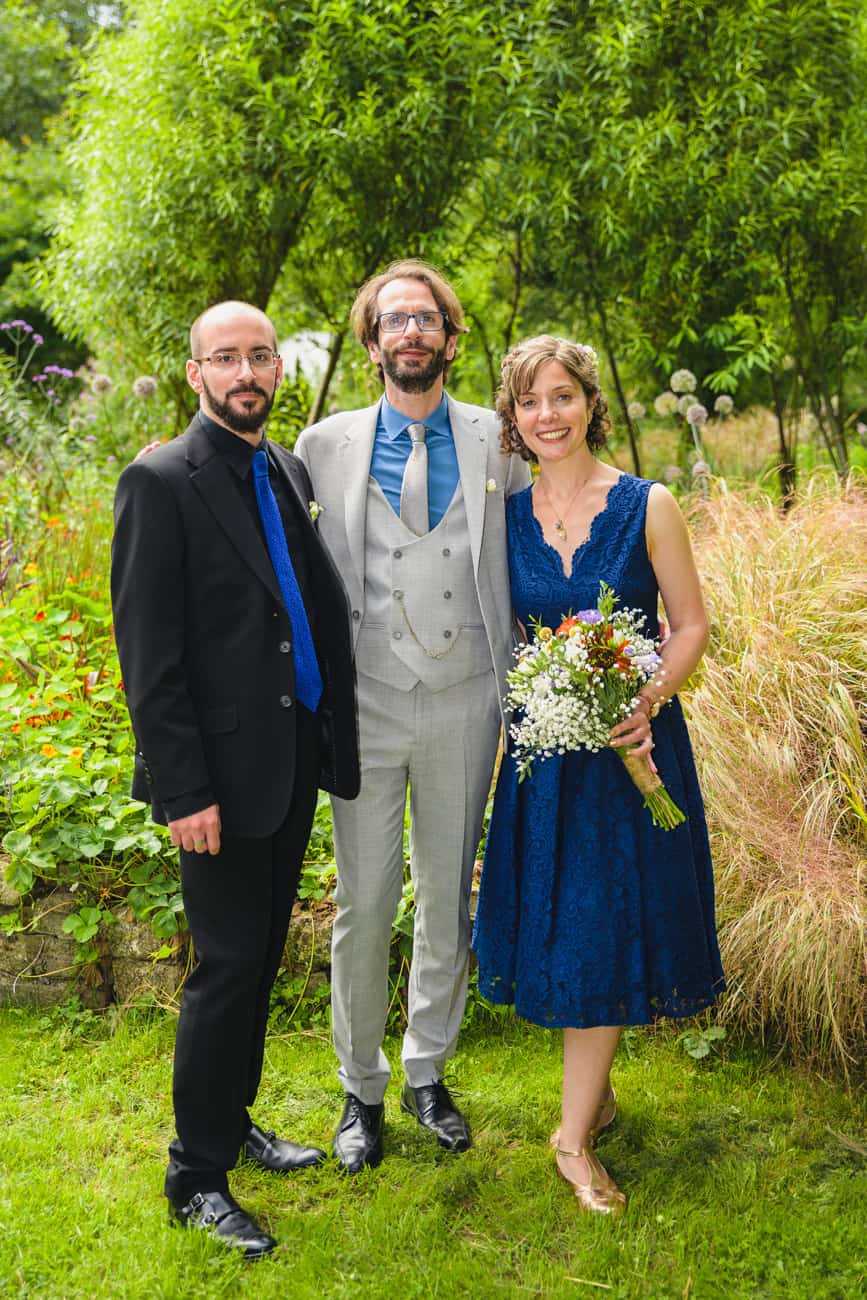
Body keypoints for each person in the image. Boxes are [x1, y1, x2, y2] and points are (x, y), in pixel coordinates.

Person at [111, 300, 360, 1257]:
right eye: (227, 358)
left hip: (288, 758)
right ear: (195, 374)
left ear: (277, 371)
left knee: (256, 958)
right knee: (224, 970)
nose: (246, 371)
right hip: (216, 777)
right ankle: (195, 1174)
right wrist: (183, 792)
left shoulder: (284, 467)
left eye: (260, 355)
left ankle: (233, 1121)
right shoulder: (160, 480)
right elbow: (152, 657)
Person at [472, 335, 725, 1215]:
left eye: (561, 397)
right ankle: (594, 1099)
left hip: (634, 753)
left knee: (605, 924)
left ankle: (571, 1138)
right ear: (512, 420)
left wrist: (644, 697)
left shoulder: (646, 504)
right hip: (550, 764)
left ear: (589, 403)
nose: (547, 416)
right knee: (577, 927)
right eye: (529, 403)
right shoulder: (501, 521)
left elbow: (688, 624)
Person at [295, 259, 531, 1172]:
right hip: (363, 702)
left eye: (425, 319)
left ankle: (428, 1069)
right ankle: (359, 1090)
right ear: (371, 341)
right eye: (394, 320)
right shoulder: (323, 445)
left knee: (444, 894)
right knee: (362, 901)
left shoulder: (499, 441)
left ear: (448, 335)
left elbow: (539, 549)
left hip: (467, 694)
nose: (410, 334)